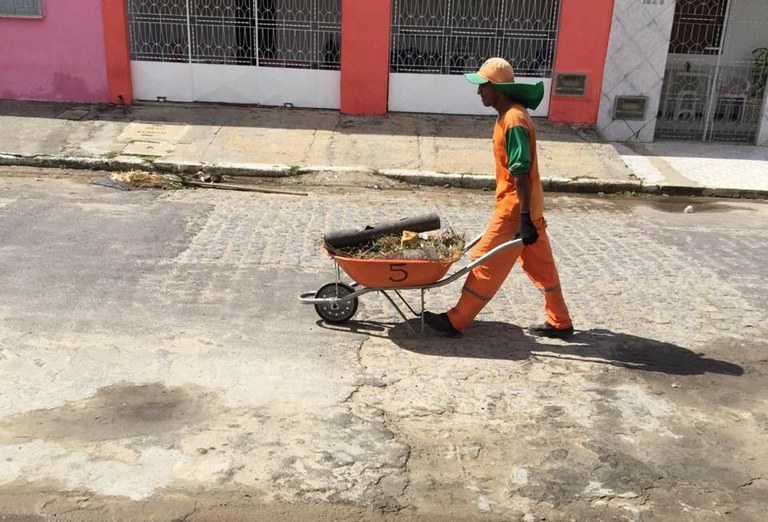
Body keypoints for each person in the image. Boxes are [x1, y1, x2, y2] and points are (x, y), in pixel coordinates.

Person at [423, 57, 574, 339]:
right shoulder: (510, 115)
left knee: (484, 264)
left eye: (483, 87)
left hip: (516, 209)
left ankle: (456, 321)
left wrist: (524, 219)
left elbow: (520, 171)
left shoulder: (514, 120)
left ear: (497, 89)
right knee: (543, 270)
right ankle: (561, 322)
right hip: (529, 207)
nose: (479, 92)